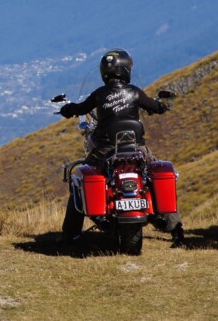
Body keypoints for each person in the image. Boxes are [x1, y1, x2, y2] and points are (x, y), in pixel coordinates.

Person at [59, 48, 184, 244]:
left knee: (79, 181)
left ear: (104, 72)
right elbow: (154, 106)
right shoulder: (134, 92)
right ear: (126, 69)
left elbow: (80, 109)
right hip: (137, 149)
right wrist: (161, 106)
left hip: (104, 150)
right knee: (155, 175)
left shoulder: (99, 94)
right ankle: (176, 229)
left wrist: (68, 109)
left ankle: (69, 233)